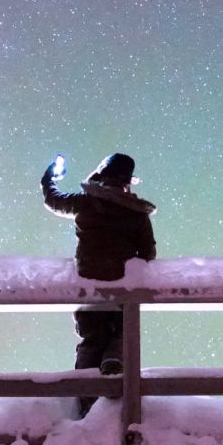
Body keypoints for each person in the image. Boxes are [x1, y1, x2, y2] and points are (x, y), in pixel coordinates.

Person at [41, 152, 157, 415]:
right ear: (127, 181)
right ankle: (114, 365)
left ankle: (84, 400)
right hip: (120, 287)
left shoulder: (86, 203)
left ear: (102, 173)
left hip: (89, 285)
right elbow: (148, 252)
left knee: (91, 339)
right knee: (120, 333)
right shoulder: (136, 213)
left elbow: (54, 200)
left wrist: (49, 178)